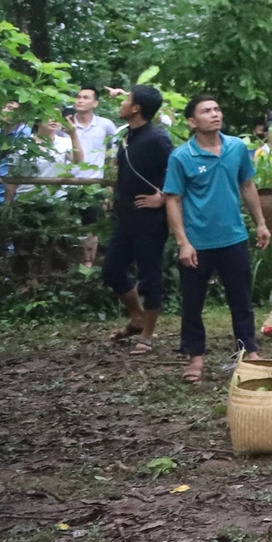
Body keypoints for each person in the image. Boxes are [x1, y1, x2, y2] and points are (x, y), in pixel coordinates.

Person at [163, 94, 272, 384]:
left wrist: (261, 223)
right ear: (192, 121)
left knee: (241, 298)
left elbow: (247, 185)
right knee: (192, 302)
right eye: (206, 111)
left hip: (233, 236)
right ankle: (195, 357)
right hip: (197, 241)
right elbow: (172, 200)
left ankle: (249, 350)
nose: (215, 114)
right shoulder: (181, 157)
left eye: (216, 109)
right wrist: (182, 242)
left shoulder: (236, 148)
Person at [102, 84, 171, 353]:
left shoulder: (157, 138)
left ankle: (147, 335)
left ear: (136, 108)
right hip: (126, 218)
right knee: (112, 269)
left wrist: (162, 197)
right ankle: (137, 317)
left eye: (126, 100)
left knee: (150, 276)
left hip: (150, 220)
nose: (121, 104)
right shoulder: (128, 136)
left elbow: (176, 170)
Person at [67, 85, 118, 266]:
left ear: (95, 103)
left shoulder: (106, 125)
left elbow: (113, 154)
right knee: (67, 226)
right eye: (78, 97)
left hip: (93, 184)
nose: (80, 100)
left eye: (86, 97)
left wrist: (109, 186)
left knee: (92, 227)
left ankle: (87, 265)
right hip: (65, 182)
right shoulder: (65, 124)